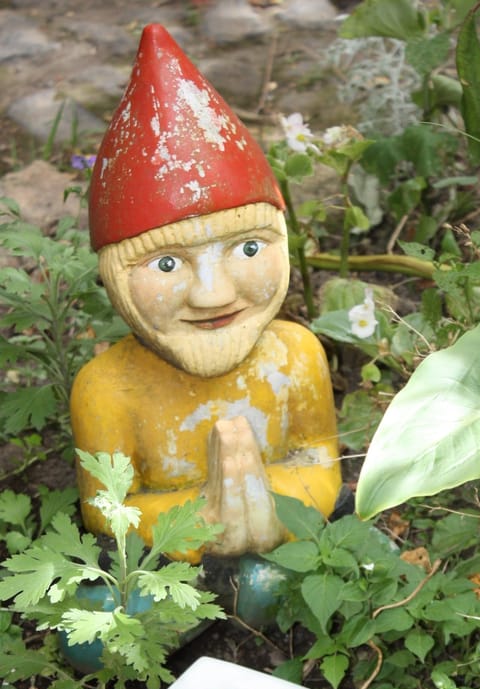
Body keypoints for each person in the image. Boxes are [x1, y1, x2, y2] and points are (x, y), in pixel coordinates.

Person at [71, 23, 342, 567]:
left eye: (246, 249)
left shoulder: (295, 357)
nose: (214, 294)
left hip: (287, 540)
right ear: (114, 276)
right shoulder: (108, 390)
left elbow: (320, 460)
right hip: (168, 564)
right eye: (167, 264)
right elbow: (107, 508)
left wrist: (271, 506)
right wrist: (202, 519)